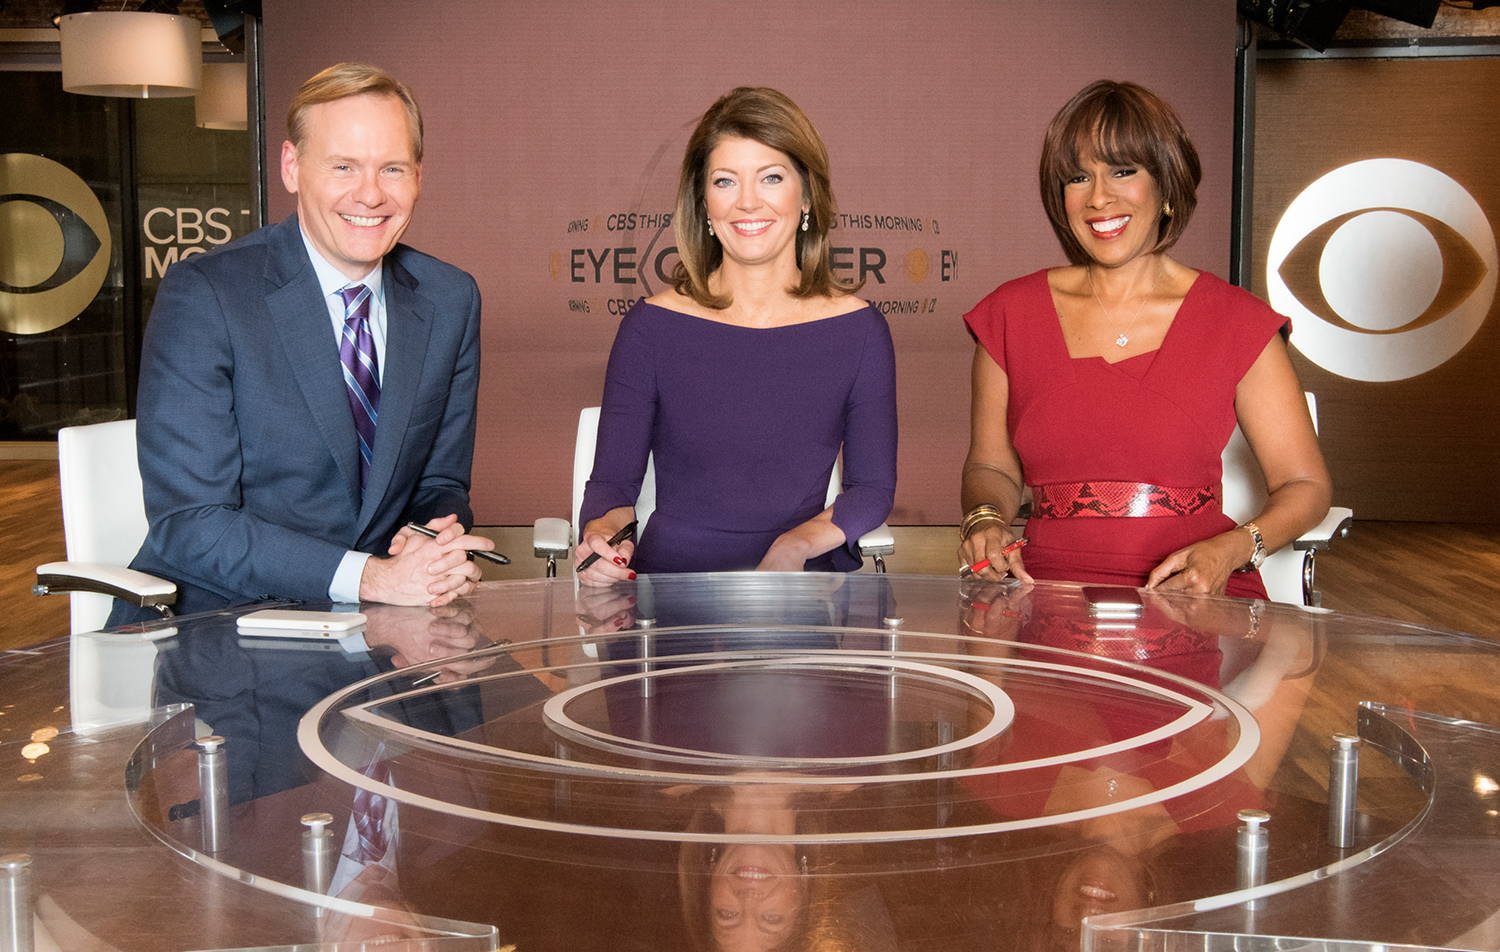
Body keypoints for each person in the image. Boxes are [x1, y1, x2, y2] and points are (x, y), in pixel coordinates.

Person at [110, 63, 492, 623]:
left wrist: (427, 543)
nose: (371, 194)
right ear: (292, 167)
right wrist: (369, 576)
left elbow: (438, 481)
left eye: (392, 168)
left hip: (374, 628)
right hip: (219, 635)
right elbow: (190, 523)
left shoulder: (450, 298)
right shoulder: (207, 294)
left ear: (418, 177)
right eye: (343, 166)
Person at [958, 80, 1331, 598]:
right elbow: (990, 465)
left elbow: (1305, 486)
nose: (1098, 197)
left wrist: (1232, 549)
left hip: (1193, 594)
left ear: (1166, 185)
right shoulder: (1009, 313)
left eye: (1123, 170)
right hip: (1046, 592)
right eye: (1076, 177)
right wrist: (983, 519)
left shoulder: (1238, 322)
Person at [576, 87, 897, 581]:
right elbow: (613, 488)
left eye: (771, 177)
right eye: (725, 181)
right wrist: (602, 539)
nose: (748, 202)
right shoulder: (651, 327)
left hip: (802, 592)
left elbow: (870, 489)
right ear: (703, 203)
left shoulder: (860, 331)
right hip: (670, 590)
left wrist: (796, 545)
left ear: (807, 193)